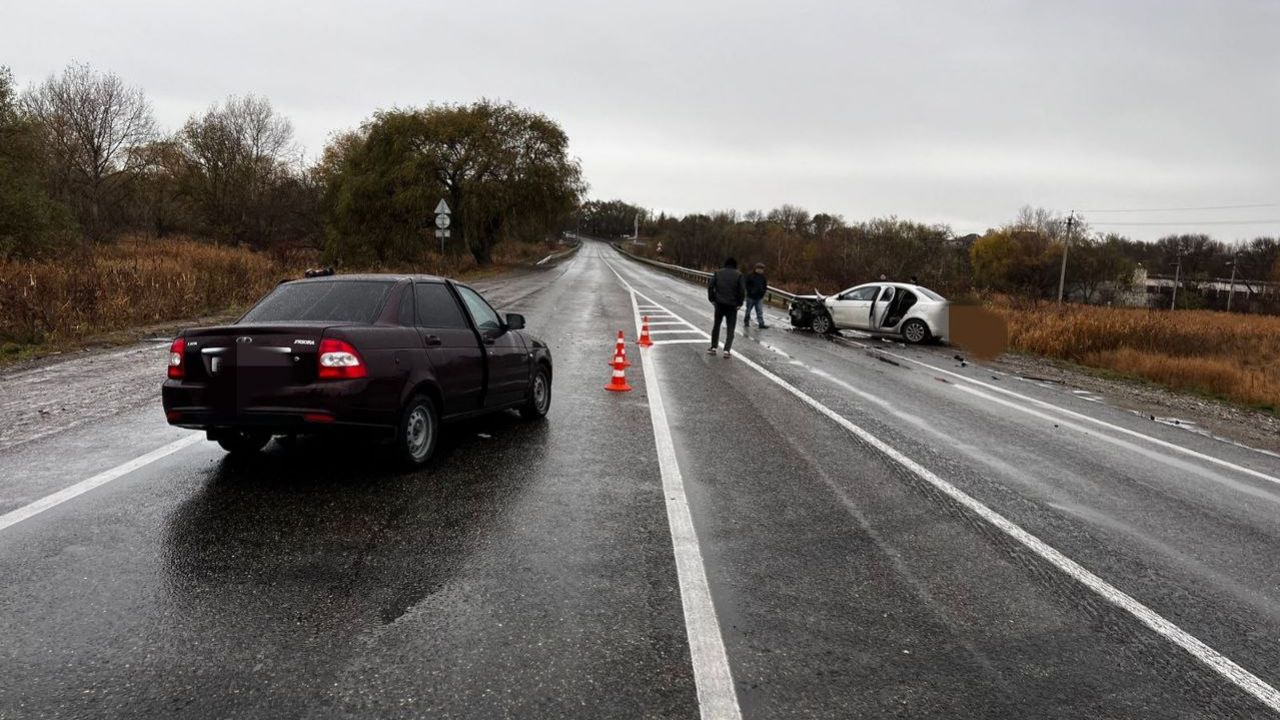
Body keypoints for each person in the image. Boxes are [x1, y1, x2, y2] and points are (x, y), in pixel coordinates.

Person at [707, 257, 745, 357]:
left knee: (716, 325)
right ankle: (727, 350)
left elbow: (711, 286)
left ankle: (714, 347)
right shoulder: (739, 275)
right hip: (732, 305)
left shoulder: (718, 273)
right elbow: (741, 290)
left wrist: (712, 299)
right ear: (735, 265)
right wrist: (739, 303)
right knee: (730, 328)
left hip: (719, 303)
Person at [743, 263, 769, 329]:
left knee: (759, 311)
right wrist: (750, 291)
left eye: (762, 269)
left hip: (759, 297)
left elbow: (765, 286)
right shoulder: (750, 275)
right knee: (748, 310)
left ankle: (761, 324)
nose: (761, 270)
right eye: (759, 269)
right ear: (756, 268)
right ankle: (746, 321)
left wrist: (763, 292)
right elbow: (746, 284)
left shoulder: (763, 277)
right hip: (751, 297)